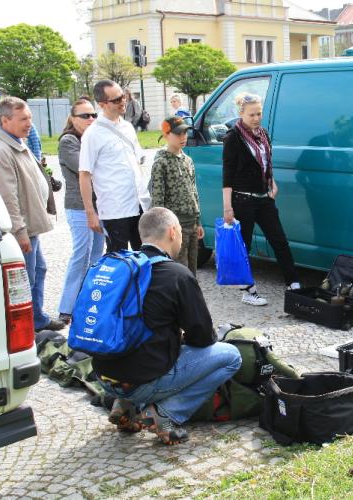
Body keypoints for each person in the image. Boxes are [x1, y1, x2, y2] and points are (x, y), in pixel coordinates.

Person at [94, 207, 242, 445]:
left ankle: (124, 404)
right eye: (181, 232)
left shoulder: (116, 267)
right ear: (173, 232)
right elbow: (203, 338)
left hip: (104, 376)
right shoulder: (177, 275)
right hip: (142, 381)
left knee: (141, 348)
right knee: (231, 356)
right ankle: (165, 414)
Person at [0, 97, 64, 332]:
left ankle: (37, 319)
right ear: (5, 120)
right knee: (23, 282)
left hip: (30, 227)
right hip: (23, 230)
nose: (29, 123)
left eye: (29, 117)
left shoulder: (15, 141)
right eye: (23, 119)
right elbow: (7, 197)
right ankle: (24, 330)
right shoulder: (0, 151)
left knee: (38, 270)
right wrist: (19, 231)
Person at [222, 92, 300, 306]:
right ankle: (248, 291)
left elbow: (266, 161)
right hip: (242, 199)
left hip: (264, 196)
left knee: (279, 240)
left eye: (259, 114)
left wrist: (271, 181)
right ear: (241, 114)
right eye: (251, 115)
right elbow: (228, 173)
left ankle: (293, 282)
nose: (256, 118)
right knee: (244, 246)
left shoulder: (262, 133)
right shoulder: (233, 138)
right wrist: (227, 207)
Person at [79, 79, 150, 252]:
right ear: (102, 104)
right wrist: (90, 212)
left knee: (145, 256)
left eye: (124, 97)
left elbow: (137, 160)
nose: (123, 101)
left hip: (139, 202)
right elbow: (84, 174)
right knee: (118, 259)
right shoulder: (92, 134)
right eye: (117, 99)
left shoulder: (127, 127)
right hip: (115, 208)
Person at [56, 98, 105, 324]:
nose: (91, 119)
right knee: (80, 255)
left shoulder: (92, 138)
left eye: (93, 115)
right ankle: (67, 307)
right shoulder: (68, 141)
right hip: (78, 207)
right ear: (73, 118)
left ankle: (86, 302)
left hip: (100, 206)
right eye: (84, 116)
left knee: (96, 256)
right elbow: (87, 167)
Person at [150, 116, 203, 274]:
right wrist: (164, 229)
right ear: (166, 135)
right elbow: (158, 201)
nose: (183, 137)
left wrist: (198, 221)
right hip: (175, 226)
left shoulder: (187, 160)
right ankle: (179, 298)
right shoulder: (161, 163)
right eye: (178, 134)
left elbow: (194, 191)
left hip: (191, 223)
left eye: (185, 133)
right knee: (179, 269)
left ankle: (190, 297)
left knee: (192, 268)